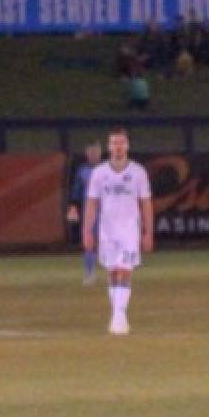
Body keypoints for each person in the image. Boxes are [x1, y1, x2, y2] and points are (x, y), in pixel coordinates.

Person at [82, 128, 153, 335]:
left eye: (121, 142)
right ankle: (117, 313)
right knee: (113, 273)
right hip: (107, 232)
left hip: (130, 230)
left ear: (127, 145)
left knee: (124, 270)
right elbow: (92, 203)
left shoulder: (138, 172)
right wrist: (87, 231)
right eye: (114, 143)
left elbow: (146, 203)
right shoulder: (100, 173)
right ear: (109, 146)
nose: (118, 146)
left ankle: (119, 317)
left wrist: (148, 231)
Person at [68, 140, 103, 284]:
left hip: (109, 212)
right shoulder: (82, 171)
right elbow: (76, 192)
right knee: (89, 242)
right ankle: (90, 273)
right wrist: (73, 208)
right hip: (90, 212)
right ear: (87, 154)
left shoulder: (108, 169)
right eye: (91, 152)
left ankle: (117, 272)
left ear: (100, 153)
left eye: (96, 152)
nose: (93, 155)